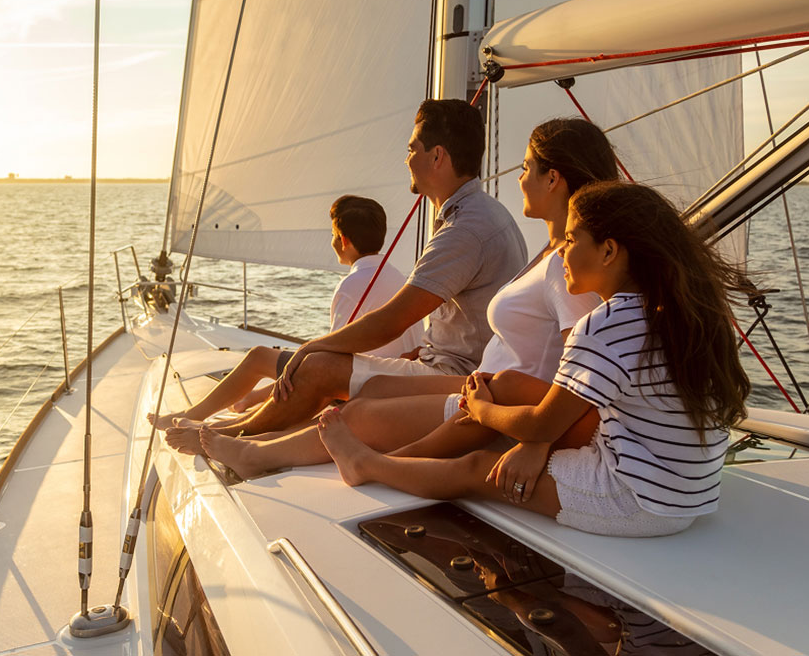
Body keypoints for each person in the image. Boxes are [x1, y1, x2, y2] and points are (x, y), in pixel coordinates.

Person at [318, 181, 752, 538]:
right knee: (510, 384)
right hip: (688, 491)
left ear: (608, 251)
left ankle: (367, 464)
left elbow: (544, 424)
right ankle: (407, 457)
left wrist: (484, 411)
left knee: (476, 469)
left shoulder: (606, 324)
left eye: (571, 239)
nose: (560, 252)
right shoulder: (677, 312)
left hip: (637, 500)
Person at [194, 118, 619, 477]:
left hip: (502, 403)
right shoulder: (548, 252)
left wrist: (536, 439)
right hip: (486, 384)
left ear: (553, 179)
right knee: (373, 390)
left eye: (526, 166)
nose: (518, 176)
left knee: (353, 408)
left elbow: (578, 365)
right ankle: (266, 438)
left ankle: (255, 453)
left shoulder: (566, 264)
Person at [171, 99, 526, 443]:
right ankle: (236, 426)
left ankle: (225, 434)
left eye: (411, 149)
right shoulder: (485, 214)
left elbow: (392, 321)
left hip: (457, 377)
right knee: (322, 365)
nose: (406, 160)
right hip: (459, 367)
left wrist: (309, 348)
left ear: (437, 157)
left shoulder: (464, 229)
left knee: (318, 367)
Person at [150, 195, 421, 429]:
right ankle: (249, 400)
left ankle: (193, 415)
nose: (332, 242)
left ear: (344, 240)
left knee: (258, 357)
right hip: (392, 378)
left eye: (332, 235)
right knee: (293, 364)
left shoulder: (351, 285)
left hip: (357, 382)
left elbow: (329, 360)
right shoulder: (402, 279)